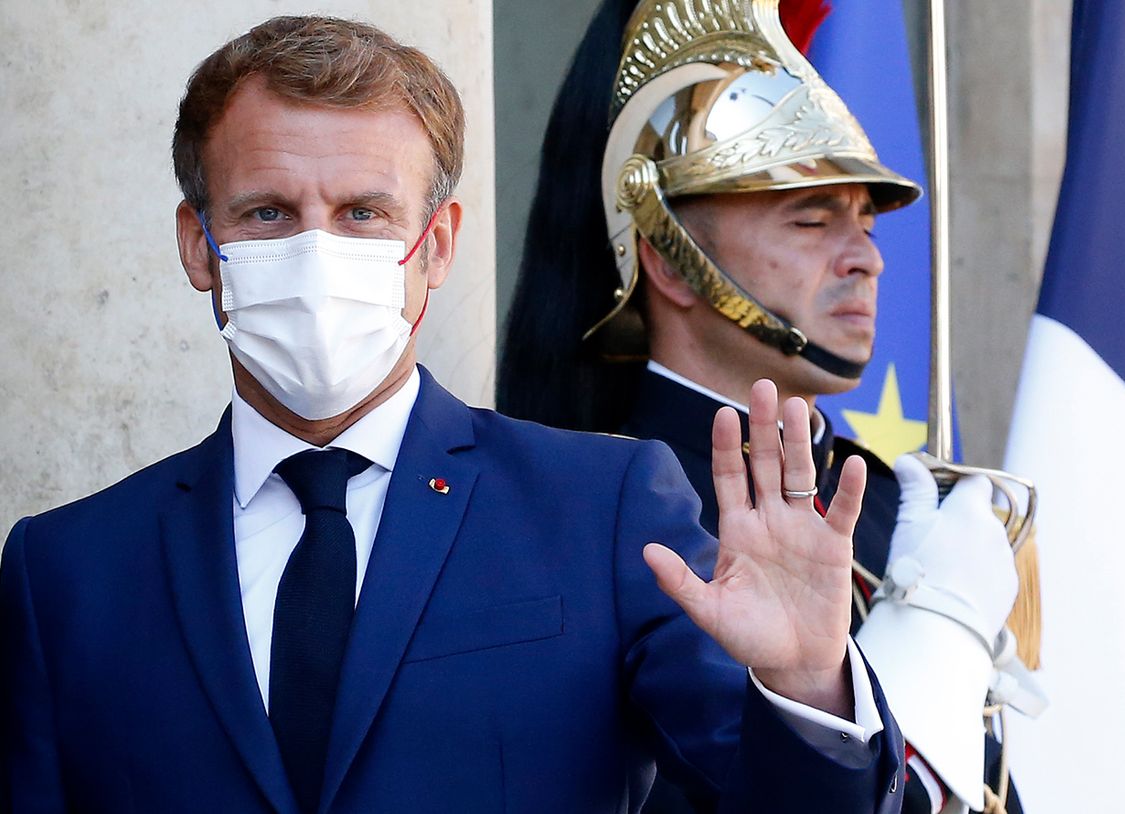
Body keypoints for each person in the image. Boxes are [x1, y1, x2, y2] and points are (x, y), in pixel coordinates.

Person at [0, 16, 907, 814]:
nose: (319, 251)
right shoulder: (67, 572)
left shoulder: (600, 509)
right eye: (270, 212)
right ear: (201, 244)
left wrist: (804, 689)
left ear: (433, 247)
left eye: (364, 213)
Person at [498, 2, 1042, 812]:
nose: (865, 259)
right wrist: (925, 649)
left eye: (864, 222)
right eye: (812, 218)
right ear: (671, 262)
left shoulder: (897, 504)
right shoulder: (592, 507)